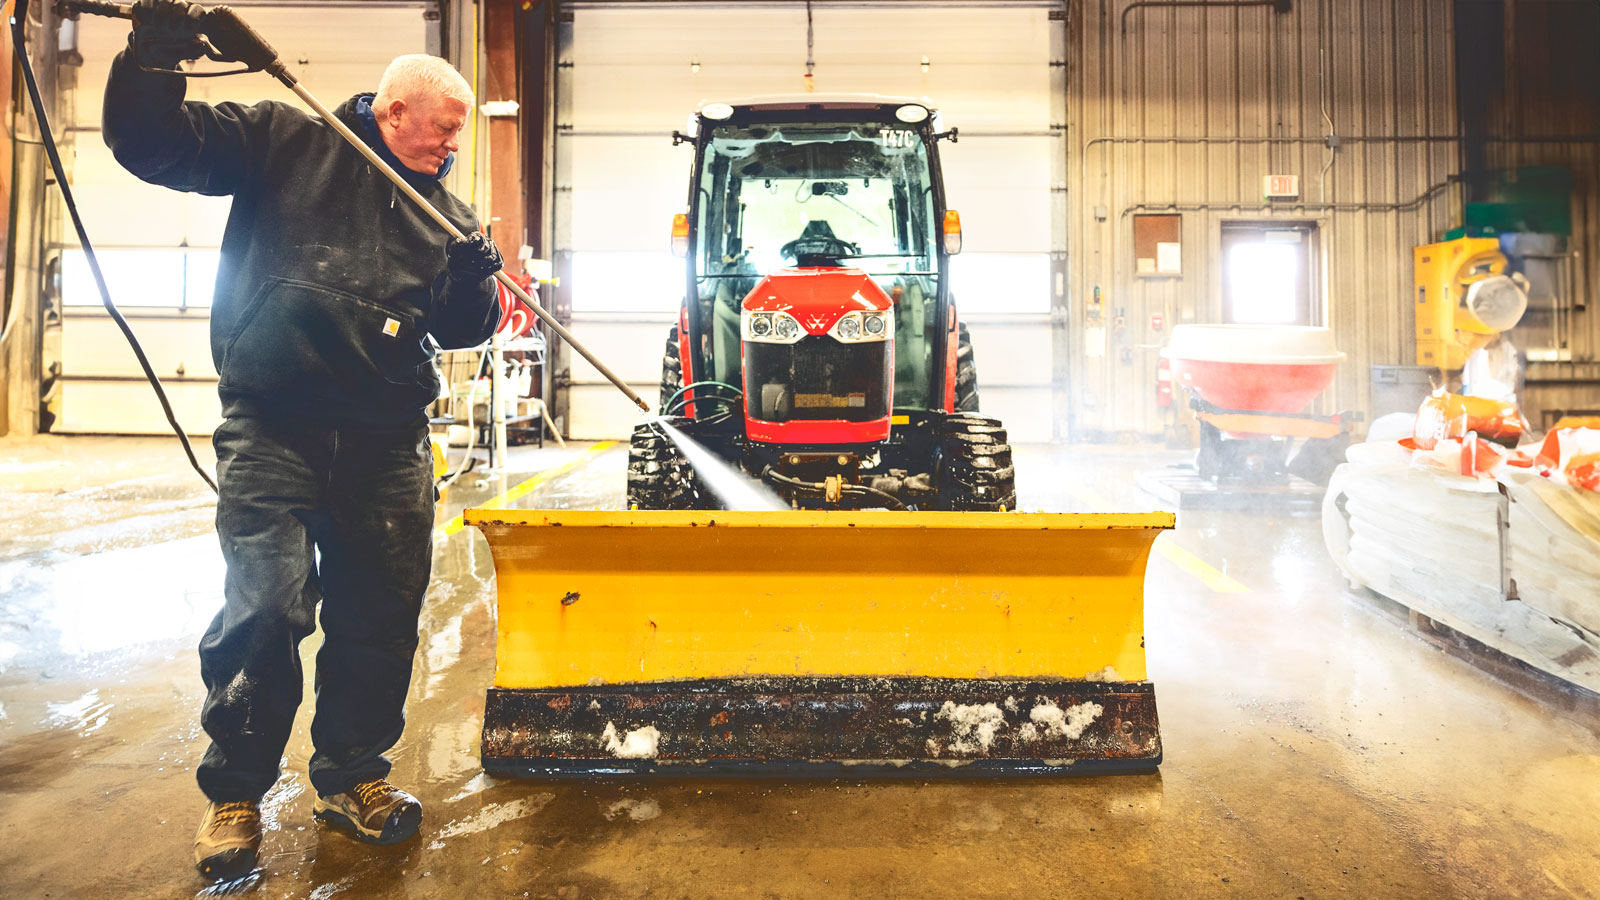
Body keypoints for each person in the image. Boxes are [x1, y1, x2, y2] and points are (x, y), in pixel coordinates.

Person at [101, 0, 504, 881]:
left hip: (385, 437)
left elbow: (464, 328)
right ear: (394, 111)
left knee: (381, 614)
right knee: (264, 606)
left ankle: (353, 777)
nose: (448, 149)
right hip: (274, 423)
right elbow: (153, 145)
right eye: (439, 132)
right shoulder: (289, 140)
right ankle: (236, 794)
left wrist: (477, 284)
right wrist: (156, 56)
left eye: (455, 138)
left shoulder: (448, 213)